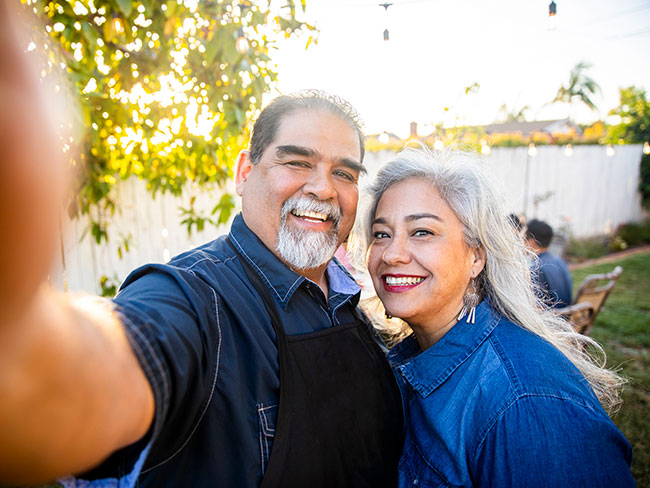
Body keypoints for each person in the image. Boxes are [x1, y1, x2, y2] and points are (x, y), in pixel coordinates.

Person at [0, 7, 403, 486]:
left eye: (344, 173)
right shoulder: (195, 299)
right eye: (297, 162)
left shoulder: (352, 302)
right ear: (244, 172)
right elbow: (103, 371)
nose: (323, 189)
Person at [360, 147, 634, 487]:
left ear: (476, 256)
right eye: (381, 234)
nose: (392, 254)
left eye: (422, 232)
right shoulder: (418, 356)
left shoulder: (527, 404)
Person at [525, 218, 573, 308]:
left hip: (549, 318)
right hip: (566, 314)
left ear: (531, 242)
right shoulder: (559, 261)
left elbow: (535, 306)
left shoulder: (536, 268)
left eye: (524, 238)